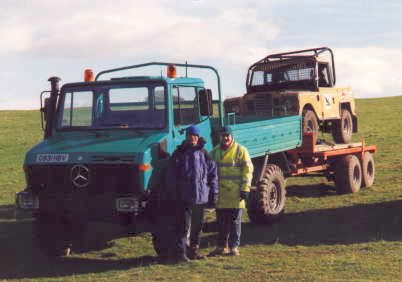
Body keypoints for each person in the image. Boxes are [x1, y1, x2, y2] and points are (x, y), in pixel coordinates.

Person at [167, 125, 218, 263]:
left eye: (195, 135)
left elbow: (213, 174)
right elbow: (171, 176)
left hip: (201, 197)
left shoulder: (204, 153)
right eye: (190, 135)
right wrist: (173, 193)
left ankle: (194, 251)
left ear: (198, 137)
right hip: (184, 197)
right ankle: (181, 253)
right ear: (186, 137)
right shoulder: (178, 154)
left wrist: (214, 192)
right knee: (183, 226)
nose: (192, 138)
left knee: (197, 226)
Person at [209, 126, 253, 256]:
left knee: (235, 222)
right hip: (221, 195)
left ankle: (234, 247)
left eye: (228, 135)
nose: (226, 138)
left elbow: (248, 171)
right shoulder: (214, 152)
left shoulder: (241, 150)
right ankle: (221, 246)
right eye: (223, 136)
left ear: (232, 136)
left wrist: (245, 189)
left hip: (236, 194)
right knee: (221, 223)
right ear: (220, 137)